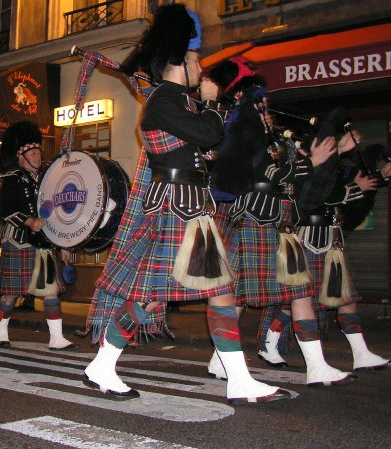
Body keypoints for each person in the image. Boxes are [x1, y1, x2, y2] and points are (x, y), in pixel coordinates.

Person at [82, 5, 289, 404]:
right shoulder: (164, 101)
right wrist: (212, 103)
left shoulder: (179, 101)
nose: (201, 68)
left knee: (220, 291)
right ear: (180, 60)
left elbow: (206, 150)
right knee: (149, 296)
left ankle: (239, 380)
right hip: (176, 207)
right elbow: (208, 135)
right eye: (195, 60)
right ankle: (102, 365)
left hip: (193, 208)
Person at [208, 57, 358, 387]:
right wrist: (311, 162)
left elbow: (297, 169)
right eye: (261, 103)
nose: (266, 108)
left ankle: (316, 367)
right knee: (235, 297)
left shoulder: (273, 137)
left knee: (298, 291)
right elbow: (270, 173)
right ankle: (221, 360)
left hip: (278, 226)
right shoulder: (242, 131)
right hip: (252, 222)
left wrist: (331, 151)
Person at [257, 139, 391, 371]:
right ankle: (270, 341)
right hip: (308, 236)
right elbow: (320, 196)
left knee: (344, 297)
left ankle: (361, 354)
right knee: (299, 298)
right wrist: (355, 187)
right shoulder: (300, 166)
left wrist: (380, 175)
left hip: (332, 236)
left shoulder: (331, 166)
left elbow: (350, 189)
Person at [0, 121, 77, 351]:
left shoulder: (48, 178)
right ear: (21, 157)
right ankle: (0, 329)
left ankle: (56, 338)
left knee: (51, 291)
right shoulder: (11, 178)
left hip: (45, 243)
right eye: (32, 153)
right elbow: (7, 210)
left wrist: (63, 243)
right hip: (19, 241)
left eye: (39, 151)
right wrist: (29, 221)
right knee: (11, 293)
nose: (38, 156)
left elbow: (57, 212)